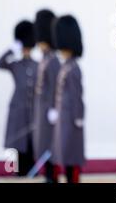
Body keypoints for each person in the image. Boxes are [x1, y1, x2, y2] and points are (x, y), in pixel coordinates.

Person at [0, 20, 37, 176]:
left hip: (32, 109)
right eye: (23, 47)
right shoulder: (15, 64)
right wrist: (11, 49)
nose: (25, 50)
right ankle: (14, 170)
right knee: (16, 141)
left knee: (31, 141)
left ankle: (32, 171)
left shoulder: (37, 65)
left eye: (27, 47)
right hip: (17, 108)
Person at [51, 15, 85, 183]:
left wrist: (78, 117)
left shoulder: (73, 68)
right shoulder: (66, 66)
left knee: (71, 154)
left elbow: (77, 94)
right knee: (63, 153)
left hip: (71, 119)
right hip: (63, 118)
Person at [33, 9, 60, 183]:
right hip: (42, 111)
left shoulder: (53, 60)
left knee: (51, 148)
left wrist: (53, 109)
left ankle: (52, 178)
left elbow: (55, 88)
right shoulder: (44, 59)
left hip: (50, 112)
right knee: (43, 147)